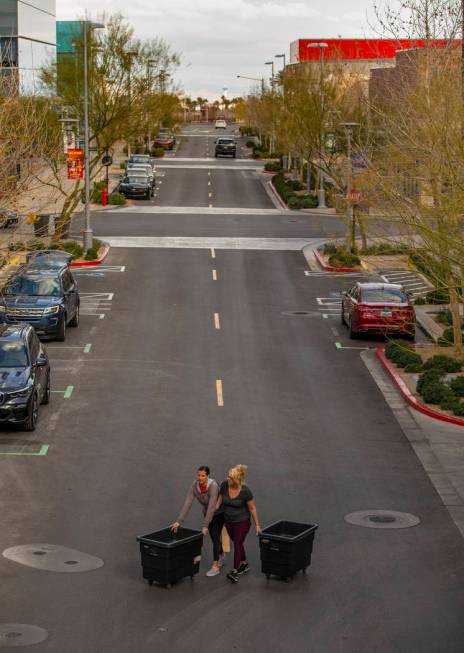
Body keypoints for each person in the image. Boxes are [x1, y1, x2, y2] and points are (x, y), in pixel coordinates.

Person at [171, 466, 225, 577]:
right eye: (198, 475)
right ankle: (221, 553)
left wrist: (205, 525)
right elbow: (188, 502)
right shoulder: (194, 485)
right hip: (207, 512)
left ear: (208, 476)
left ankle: (215, 566)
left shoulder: (213, 486)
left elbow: (211, 507)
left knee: (215, 536)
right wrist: (179, 521)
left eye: (203, 475)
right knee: (212, 536)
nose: (200, 478)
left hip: (219, 512)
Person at [217, 464, 261, 584]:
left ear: (237, 480)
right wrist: (214, 509)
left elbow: (252, 508)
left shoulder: (245, 491)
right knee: (238, 543)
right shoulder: (224, 485)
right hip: (228, 521)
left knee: (237, 544)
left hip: (242, 522)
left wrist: (257, 526)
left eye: (230, 478)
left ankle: (234, 570)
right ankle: (244, 564)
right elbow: (221, 498)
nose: (228, 479)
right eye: (228, 476)